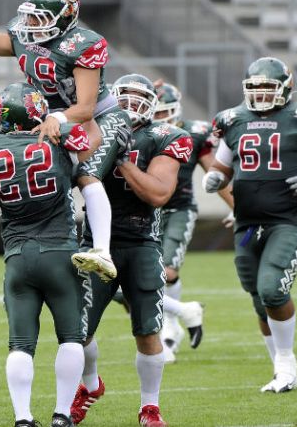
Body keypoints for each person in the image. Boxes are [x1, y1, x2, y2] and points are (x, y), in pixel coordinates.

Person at [0, 0, 129, 283]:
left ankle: (102, 251)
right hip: (50, 117)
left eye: (40, 18)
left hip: (99, 118)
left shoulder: (82, 44)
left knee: (86, 172)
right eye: (30, 17)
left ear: (65, 18)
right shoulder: (24, 36)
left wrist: (58, 119)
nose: (31, 25)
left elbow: (86, 107)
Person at [203, 57, 297, 393]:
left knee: (272, 289)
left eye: (268, 87)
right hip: (247, 223)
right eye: (254, 88)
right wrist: (215, 178)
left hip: (290, 220)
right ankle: (280, 370)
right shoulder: (233, 119)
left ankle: (286, 364)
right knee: (257, 295)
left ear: (285, 88)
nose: (261, 94)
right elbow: (223, 167)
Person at [72, 74, 193, 427]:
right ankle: (90, 385)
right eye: (124, 97)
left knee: (146, 330)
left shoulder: (166, 135)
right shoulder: (93, 129)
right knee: (78, 332)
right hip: (95, 242)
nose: (130, 106)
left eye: (139, 98)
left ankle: (149, 408)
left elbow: (158, 194)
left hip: (141, 241)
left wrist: (122, 157)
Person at [0, 82, 92, 427]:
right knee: (70, 337)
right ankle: (62, 415)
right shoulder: (61, 136)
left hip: (18, 256)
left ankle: (23, 418)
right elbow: (89, 158)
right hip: (59, 251)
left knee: (20, 344)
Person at [152, 82, 235, 361]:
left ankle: (170, 325)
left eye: (167, 113)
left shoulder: (195, 133)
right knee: (136, 277)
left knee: (167, 271)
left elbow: (215, 174)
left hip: (178, 209)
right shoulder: (140, 131)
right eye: (157, 112)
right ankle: (178, 317)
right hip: (145, 213)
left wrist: (238, 207)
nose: (162, 119)